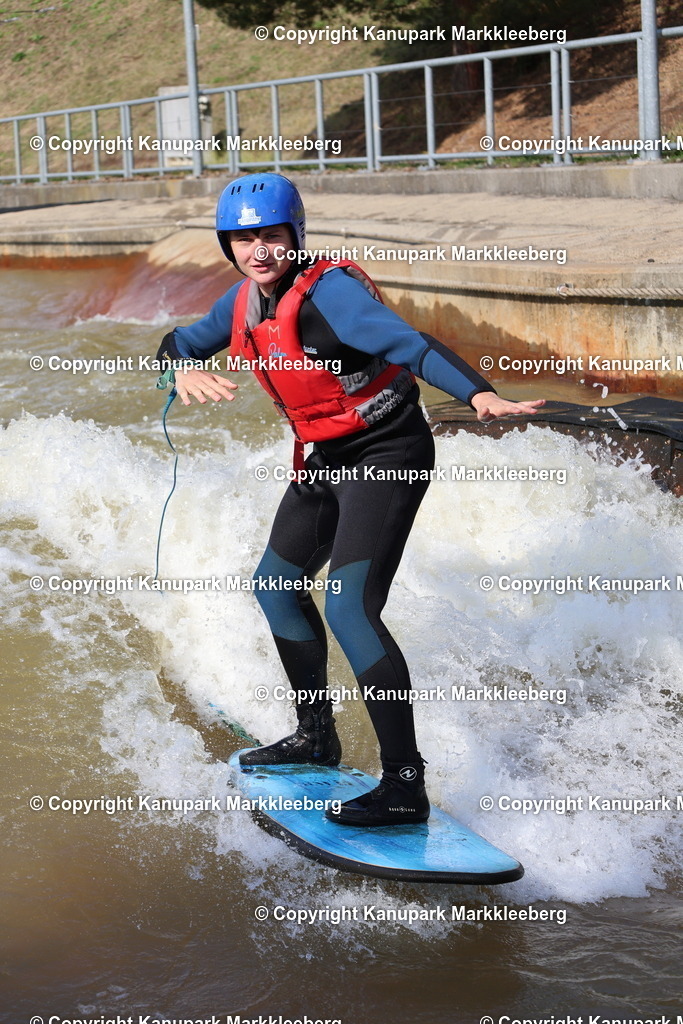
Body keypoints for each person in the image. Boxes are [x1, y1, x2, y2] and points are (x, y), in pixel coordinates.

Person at [155, 172, 544, 827]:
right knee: (275, 586)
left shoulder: (327, 294)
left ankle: (403, 786)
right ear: (228, 246)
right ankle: (315, 735)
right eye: (243, 239)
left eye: (271, 236)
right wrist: (180, 367)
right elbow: (178, 343)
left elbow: (410, 345)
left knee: (352, 611)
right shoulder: (242, 303)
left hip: (387, 454)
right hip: (323, 460)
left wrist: (478, 394)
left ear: (294, 237)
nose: (259, 251)